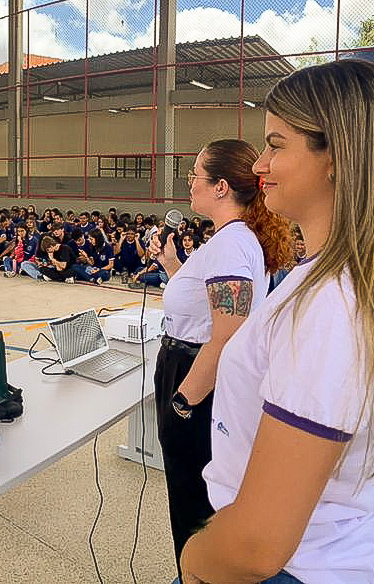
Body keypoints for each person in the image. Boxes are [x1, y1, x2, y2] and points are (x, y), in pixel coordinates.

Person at [180, 60, 374, 584]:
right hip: (357, 538)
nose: (261, 164)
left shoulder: (329, 307)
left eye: (276, 144)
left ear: (335, 157)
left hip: (304, 566)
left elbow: (258, 545)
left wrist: (193, 560)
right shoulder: (349, 277)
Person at [147, 138, 291, 576]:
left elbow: (227, 334)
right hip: (193, 368)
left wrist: (182, 400)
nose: (190, 183)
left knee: (192, 497)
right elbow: (211, 313)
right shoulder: (232, 240)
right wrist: (174, 266)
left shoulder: (231, 244)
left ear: (221, 187)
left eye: (195, 175)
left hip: (195, 376)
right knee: (195, 491)